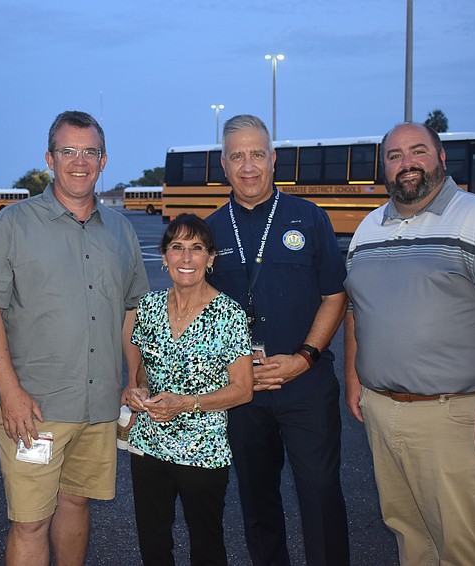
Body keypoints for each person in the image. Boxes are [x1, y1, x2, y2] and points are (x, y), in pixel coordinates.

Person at [343, 122, 475, 565]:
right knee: (409, 536)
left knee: (462, 544)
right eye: (395, 156)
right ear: (384, 168)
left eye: (418, 151)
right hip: (383, 410)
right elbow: (357, 309)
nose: (406, 163)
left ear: (441, 158)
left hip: (454, 415)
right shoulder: (368, 228)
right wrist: (353, 377)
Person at [0, 110, 149, 566]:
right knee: (29, 520)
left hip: (100, 406)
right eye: (68, 151)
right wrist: (9, 392)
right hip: (35, 409)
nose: (79, 161)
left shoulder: (122, 232)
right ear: (50, 158)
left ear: (104, 160)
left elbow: (132, 312)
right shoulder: (12, 225)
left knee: (76, 503)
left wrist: (133, 382)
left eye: (90, 151)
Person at [205, 114, 350, 566]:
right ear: (224, 165)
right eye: (237, 157)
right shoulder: (209, 229)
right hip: (243, 394)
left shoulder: (309, 218)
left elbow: (335, 294)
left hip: (305, 386)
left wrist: (305, 357)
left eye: (257, 155)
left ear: (273, 159)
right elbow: (195, 308)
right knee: (257, 503)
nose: (248, 166)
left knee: (321, 496)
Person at [126, 213, 254, 566]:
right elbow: (142, 370)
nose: (186, 258)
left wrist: (186, 403)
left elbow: (243, 389)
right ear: (164, 256)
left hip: (203, 450)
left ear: (211, 259)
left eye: (196, 248)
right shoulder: (149, 308)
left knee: (207, 547)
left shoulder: (228, 313)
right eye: (177, 248)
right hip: (149, 445)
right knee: (153, 546)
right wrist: (137, 390)